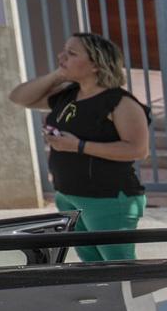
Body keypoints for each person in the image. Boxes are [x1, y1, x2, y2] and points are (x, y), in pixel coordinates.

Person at [9, 34, 152, 261]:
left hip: (108, 198)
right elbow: (19, 97)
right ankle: (105, 297)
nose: (61, 56)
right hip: (68, 195)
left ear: (96, 64)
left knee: (118, 264)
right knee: (91, 263)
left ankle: (124, 298)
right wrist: (57, 76)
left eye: (72, 53)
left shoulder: (119, 102)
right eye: (64, 51)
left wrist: (78, 146)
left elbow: (138, 150)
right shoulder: (67, 95)